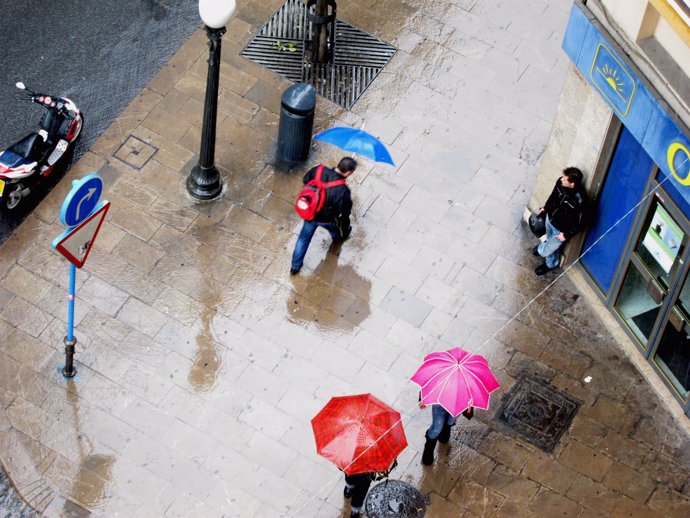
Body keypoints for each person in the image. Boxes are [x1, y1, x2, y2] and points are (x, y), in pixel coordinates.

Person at [290, 157, 357, 275]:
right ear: (348, 173)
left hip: (310, 214)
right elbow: (345, 214)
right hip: (327, 219)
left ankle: (295, 267)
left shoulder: (318, 170)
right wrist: (346, 229)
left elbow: (306, 180)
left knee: (303, 239)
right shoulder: (343, 190)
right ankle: (337, 239)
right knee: (336, 230)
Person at [532, 166, 589, 276]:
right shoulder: (560, 182)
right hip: (550, 219)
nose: (561, 178)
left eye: (565, 178)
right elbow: (553, 196)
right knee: (550, 241)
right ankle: (551, 262)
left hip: (561, 231)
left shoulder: (581, 201)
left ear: (572, 183)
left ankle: (543, 252)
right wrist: (545, 208)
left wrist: (567, 234)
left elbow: (582, 222)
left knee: (544, 251)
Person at [419, 399, 458, 466]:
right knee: (436, 429)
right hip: (440, 402)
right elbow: (429, 387)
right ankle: (428, 448)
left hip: (460, 402)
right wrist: (423, 398)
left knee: (450, 421)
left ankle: (444, 433)